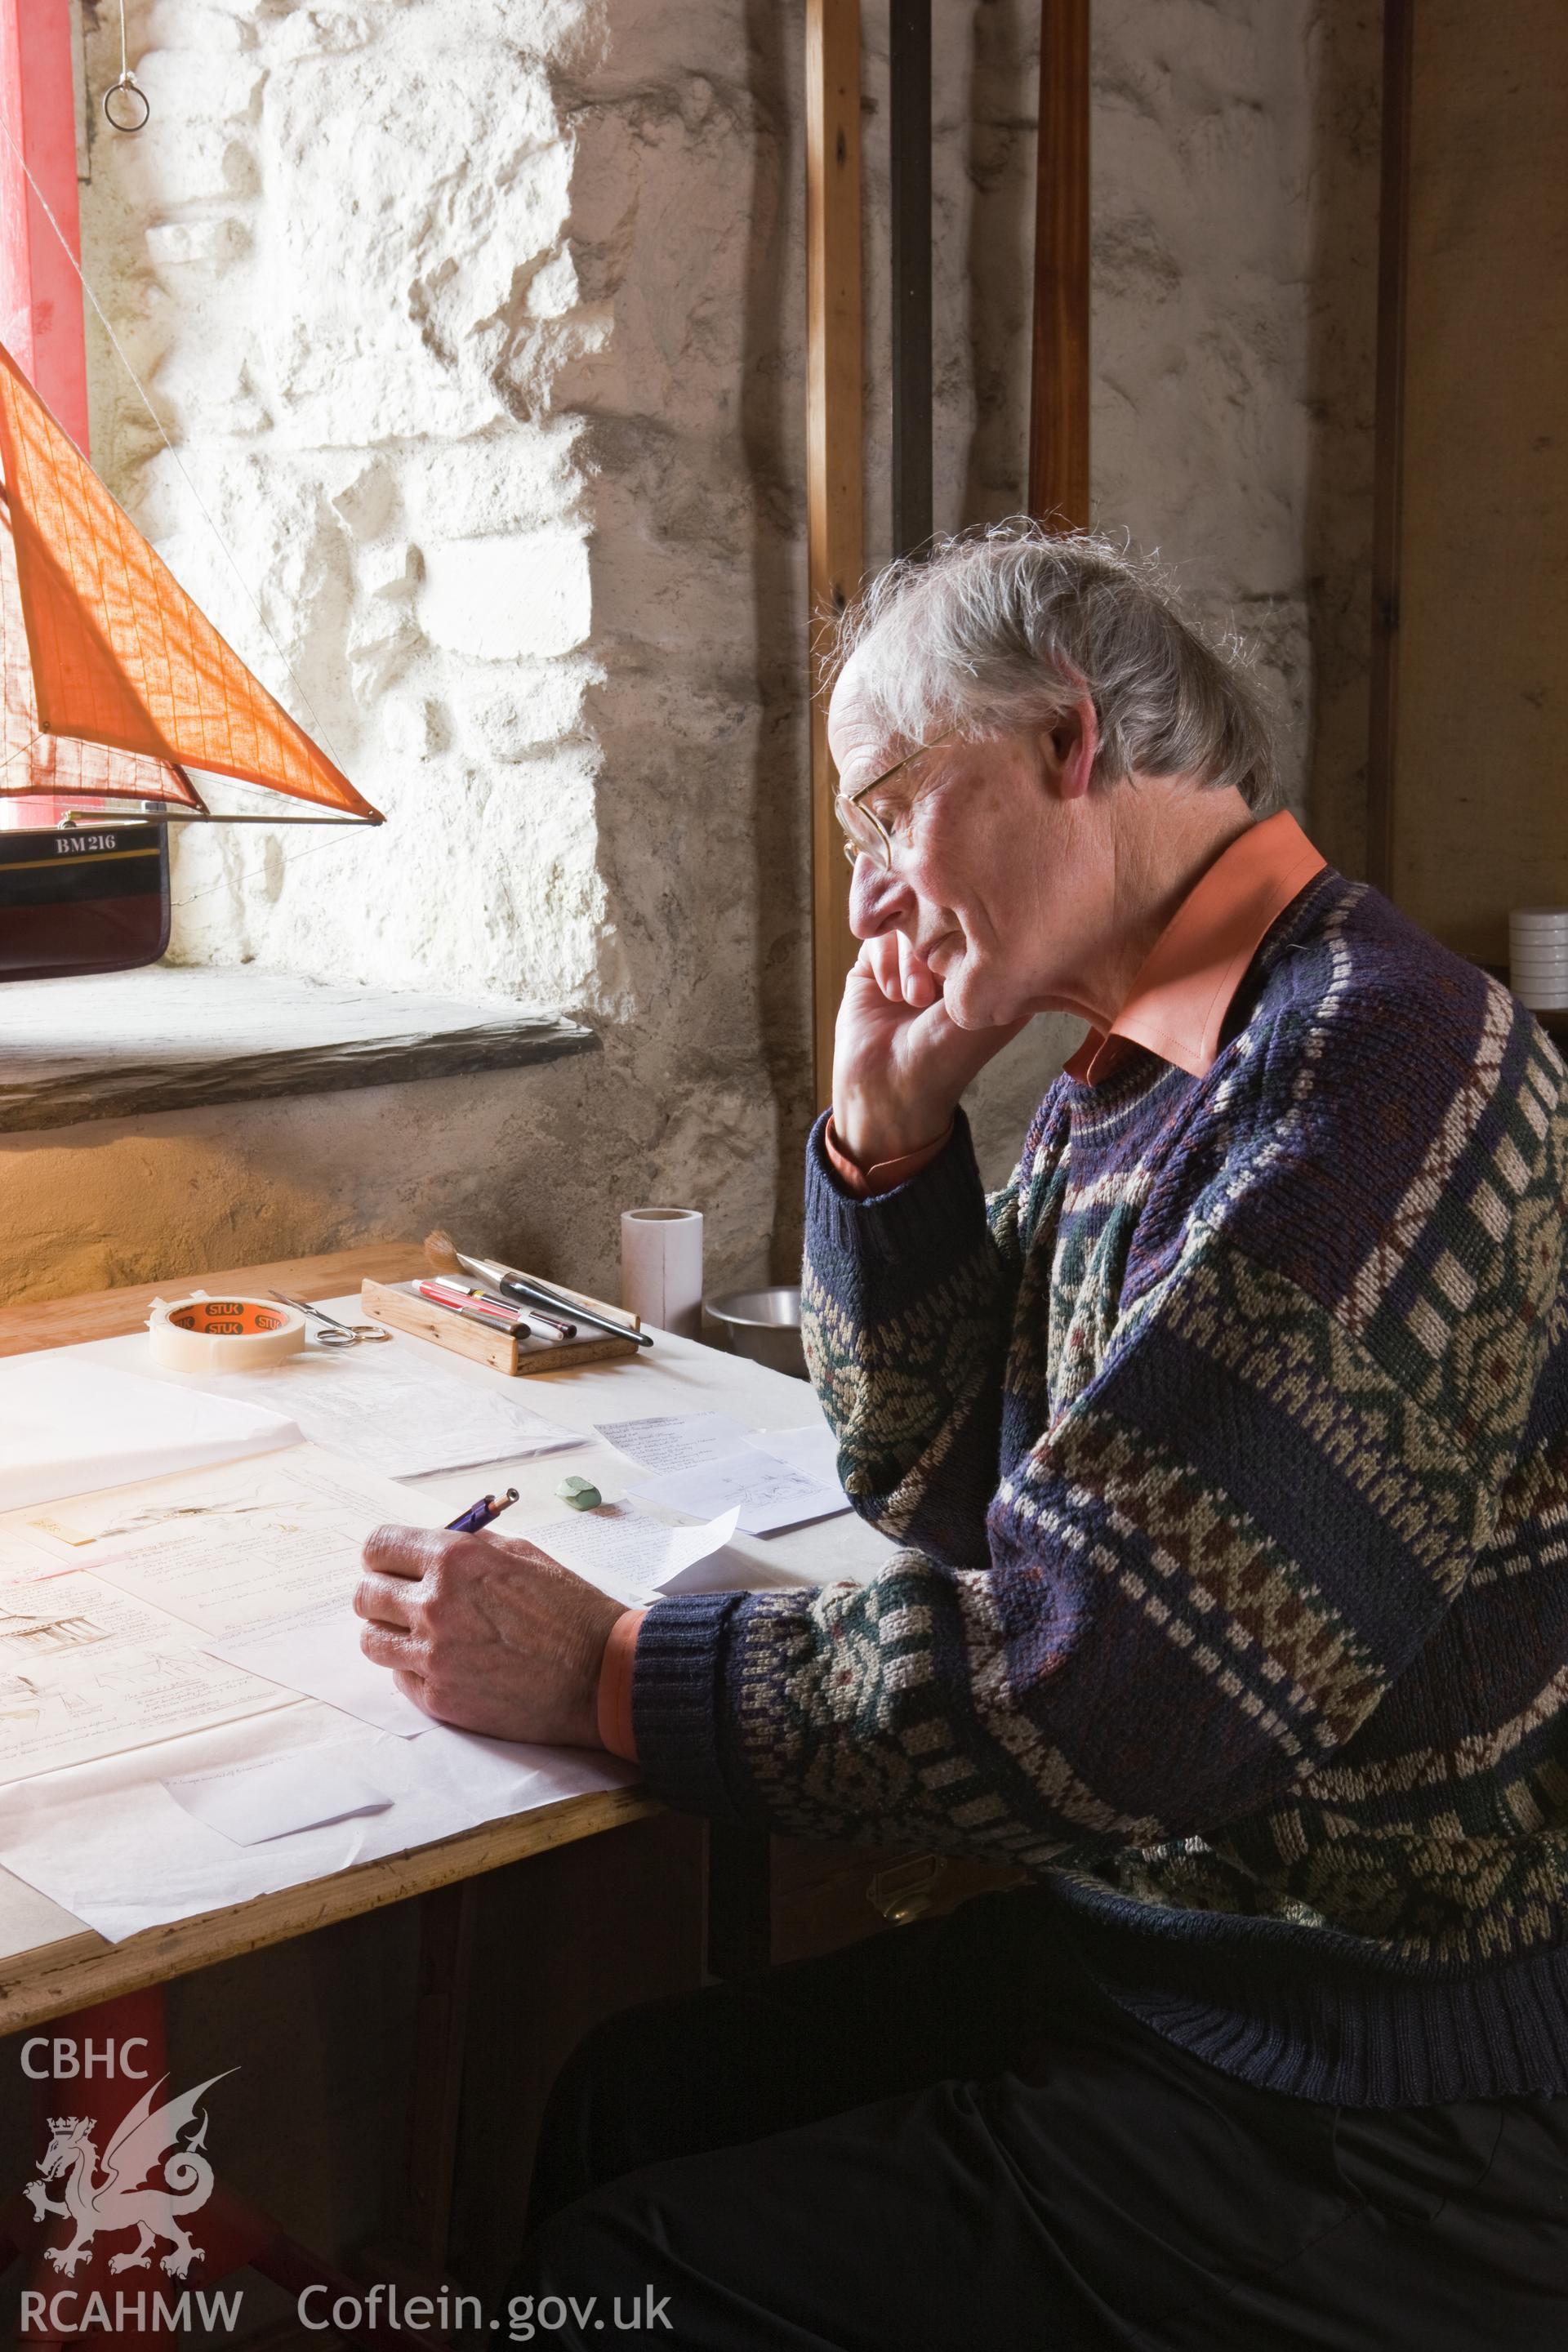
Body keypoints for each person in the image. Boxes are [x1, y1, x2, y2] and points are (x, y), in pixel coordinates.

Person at [355, 527, 1568, 2347]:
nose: (866, 898)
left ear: (1067, 743)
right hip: (1183, 1957)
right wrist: (885, 1141)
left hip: (1383, 2082)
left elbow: (1114, 1689)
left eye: (885, 812)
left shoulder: (1369, 1072)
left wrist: (615, 1676)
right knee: (624, 2102)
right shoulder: (1144, 1068)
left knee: (627, 2272)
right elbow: (942, 1489)